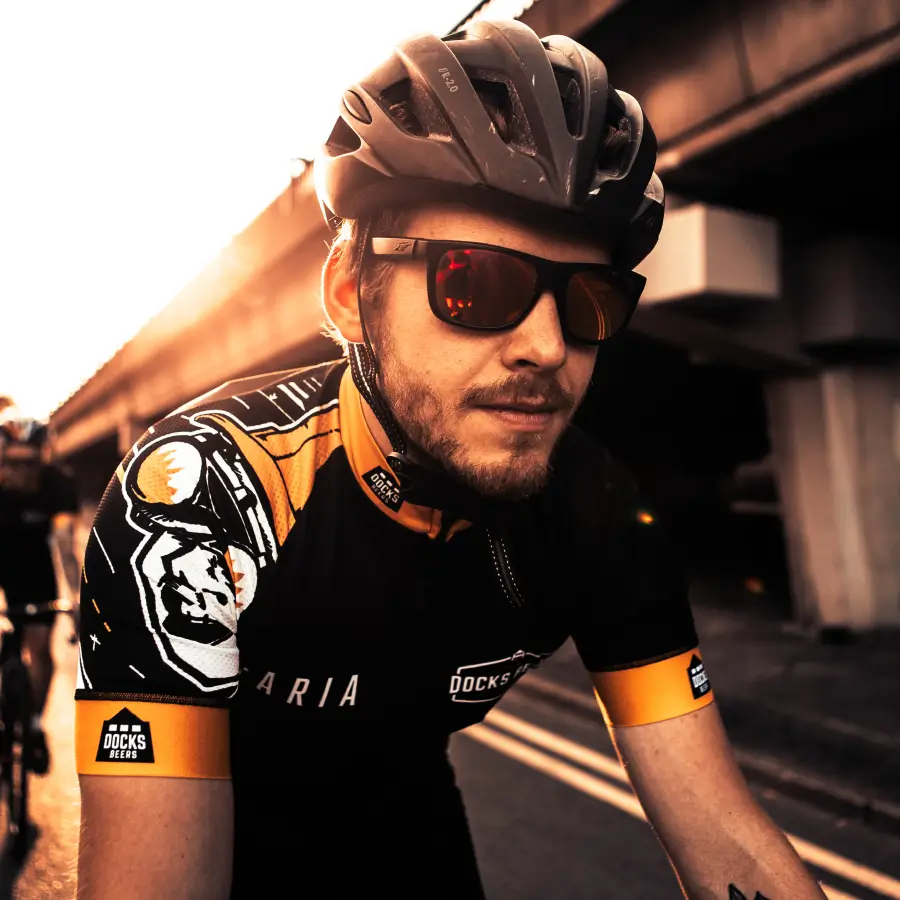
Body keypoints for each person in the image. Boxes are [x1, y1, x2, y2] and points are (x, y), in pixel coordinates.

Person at [75, 19, 827, 900]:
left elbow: (727, 841)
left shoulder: (598, 509)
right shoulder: (204, 502)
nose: (548, 347)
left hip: (411, 824)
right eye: (476, 283)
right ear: (353, 294)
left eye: (588, 300)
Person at [0, 398, 81, 774]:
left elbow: (64, 544)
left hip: (36, 575)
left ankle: (33, 723)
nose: (21, 471)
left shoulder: (56, 484)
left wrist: (76, 598)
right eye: (13, 462)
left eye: (30, 462)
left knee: (41, 652)